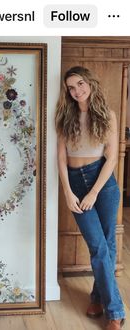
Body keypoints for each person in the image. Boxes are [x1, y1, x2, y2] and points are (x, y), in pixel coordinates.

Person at [55, 66, 126, 330]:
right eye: (71, 87)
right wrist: (67, 191)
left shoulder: (107, 115)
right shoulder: (64, 116)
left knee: (106, 244)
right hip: (74, 180)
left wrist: (94, 191)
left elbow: (111, 157)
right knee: (98, 246)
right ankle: (114, 308)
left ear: (90, 83)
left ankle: (105, 305)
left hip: (102, 182)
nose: (77, 91)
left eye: (80, 84)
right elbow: (61, 158)